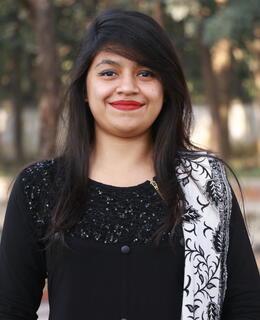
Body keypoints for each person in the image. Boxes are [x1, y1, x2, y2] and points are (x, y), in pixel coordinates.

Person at [0, 8, 259, 320]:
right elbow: (10, 308)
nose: (128, 87)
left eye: (146, 73)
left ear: (166, 87)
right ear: (85, 88)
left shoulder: (205, 183)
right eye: (109, 72)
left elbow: (246, 305)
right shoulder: (40, 185)